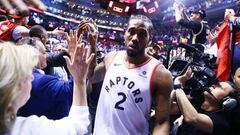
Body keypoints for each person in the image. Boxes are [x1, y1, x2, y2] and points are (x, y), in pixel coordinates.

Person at [92, 15, 173, 135]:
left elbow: (162, 122)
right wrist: (93, 46)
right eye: (131, 31)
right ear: (125, 34)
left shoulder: (160, 74)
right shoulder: (111, 57)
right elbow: (91, 77)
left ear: (149, 40)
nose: (135, 38)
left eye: (142, 34)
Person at [0, 40, 93, 134]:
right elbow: (78, 126)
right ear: (12, 86)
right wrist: (79, 80)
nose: (32, 76)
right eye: (26, 73)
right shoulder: (27, 128)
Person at [171, 67, 236, 135]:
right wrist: (178, 87)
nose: (213, 85)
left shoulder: (220, 122)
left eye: (220, 87)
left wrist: (178, 85)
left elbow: (192, 118)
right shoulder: (199, 101)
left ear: (227, 101)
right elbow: (170, 108)